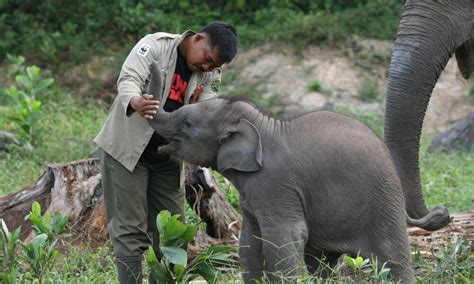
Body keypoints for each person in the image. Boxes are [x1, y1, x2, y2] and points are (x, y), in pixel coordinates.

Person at [94, 21, 239, 283]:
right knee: (130, 229)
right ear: (197, 39)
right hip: (128, 151)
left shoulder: (210, 72)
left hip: (168, 156)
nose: (207, 68)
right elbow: (128, 79)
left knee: (173, 232)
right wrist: (136, 100)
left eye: (213, 66)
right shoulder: (155, 46)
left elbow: (208, 110)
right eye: (206, 59)